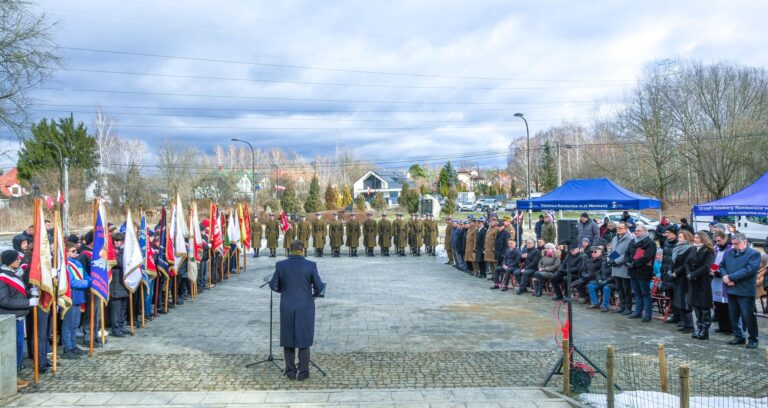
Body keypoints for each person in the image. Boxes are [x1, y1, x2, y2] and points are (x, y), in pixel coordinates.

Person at [269, 240, 325, 381]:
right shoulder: (311, 265)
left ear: (289, 250)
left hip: (287, 306)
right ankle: (304, 372)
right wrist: (314, 295)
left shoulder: (281, 265)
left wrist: (285, 291)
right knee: (304, 340)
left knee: (288, 339)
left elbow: (273, 285)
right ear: (303, 250)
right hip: (305, 306)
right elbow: (319, 287)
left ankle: (290, 372)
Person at [719, 233, 760, 349]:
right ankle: (739, 336)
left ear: (745, 242)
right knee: (733, 315)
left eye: (736, 244)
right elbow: (722, 266)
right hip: (731, 289)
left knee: (748, 315)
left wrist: (730, 277)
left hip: (745, 290)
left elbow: (749, 270)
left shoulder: (754, 254)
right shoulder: (729, 252)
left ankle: (753, 338)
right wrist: (725, 277)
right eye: (733, 244)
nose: (734, 246)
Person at [61, 242, 90, 358]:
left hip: (79, 296)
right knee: (68, 324)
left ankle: (73, 346)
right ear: (66, 252)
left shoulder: (77, 263)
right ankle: (67, 348)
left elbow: (86, 275)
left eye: (76, 251)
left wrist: (90, 280)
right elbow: (71, 282)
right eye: (73, 251)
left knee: (75, 324)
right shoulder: (66, 265)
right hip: (70, 296)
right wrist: (87, 283)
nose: (76, 253)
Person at [688, 232, 714, 340]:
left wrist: (694, 274)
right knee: (696, 306)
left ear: (703, 239)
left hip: (703, 281)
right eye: (695, 237)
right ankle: (698, 328)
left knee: (704, 306)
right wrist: (689, 273)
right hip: (693, 281)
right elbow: (687, 262)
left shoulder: (708, 251)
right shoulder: (693, 249)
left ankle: (705, 330)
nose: (695, 239)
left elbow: (707, 266)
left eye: (698, 237)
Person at [627, 224, 656, 322]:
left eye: (639, 231)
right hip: (633, 271)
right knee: (636, 293)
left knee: (645, 293)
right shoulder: (633, 241)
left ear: (644, 231)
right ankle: (638, 312)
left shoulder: (650, 242)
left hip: (643, 271)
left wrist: (634, 263)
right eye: (636, 231)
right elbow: (627, 253)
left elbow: (647, 257)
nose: (636, 232)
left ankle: (647, 314)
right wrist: (628, 262)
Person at [669, 230, 696, 332]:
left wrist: (677, 272)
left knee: (685, 302)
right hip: (677, 278)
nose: (678, 239)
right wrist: (670, 271)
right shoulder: (676, 248)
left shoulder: (690, 248)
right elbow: (673, 261)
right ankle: (684, 323)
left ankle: (690, 326)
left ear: (686, 238)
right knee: (679, 301)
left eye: (680, 237)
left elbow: (686, 263)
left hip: (684, 278)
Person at [609, 222, 634, 315]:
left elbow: (627, 254)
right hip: (615, 268)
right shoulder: (615, 238)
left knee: (626, 289)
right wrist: (610, 258)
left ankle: (628, 307)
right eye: (618, 227)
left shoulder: (630, 239)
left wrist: (616, 261)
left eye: (621, 228)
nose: (618, 229)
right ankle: (622, 306)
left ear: (626, 229)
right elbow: (613, 251)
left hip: (623, 267)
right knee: (619, 289)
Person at [110, 232, 130, 337]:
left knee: (123, 307)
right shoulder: (113, 252)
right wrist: (122, 253)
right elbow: (120, 263)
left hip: (124, 283)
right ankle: (116, 328)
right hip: (115, 284)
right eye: (118, 241)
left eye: (121, 241)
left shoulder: (123, 251)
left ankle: (122, 325)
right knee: (116, 309)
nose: (119, 243)